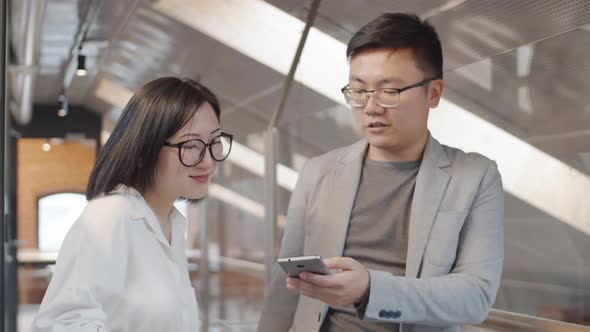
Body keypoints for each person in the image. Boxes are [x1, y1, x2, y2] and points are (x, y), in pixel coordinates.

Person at [257, 13, 504, 332]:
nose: (370, 107)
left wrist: (370, 290)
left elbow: (475, 296)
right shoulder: (318, 172)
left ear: (433, 93)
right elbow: (285, 288)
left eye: (389, 91)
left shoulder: (475, 176)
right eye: (358, 91)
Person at [32, 77, 233, 331]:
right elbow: (61, 324)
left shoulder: (171, 221)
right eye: (191, 145)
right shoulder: (110, 216)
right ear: (143, 150)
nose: (208, 161)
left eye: (214, 142)